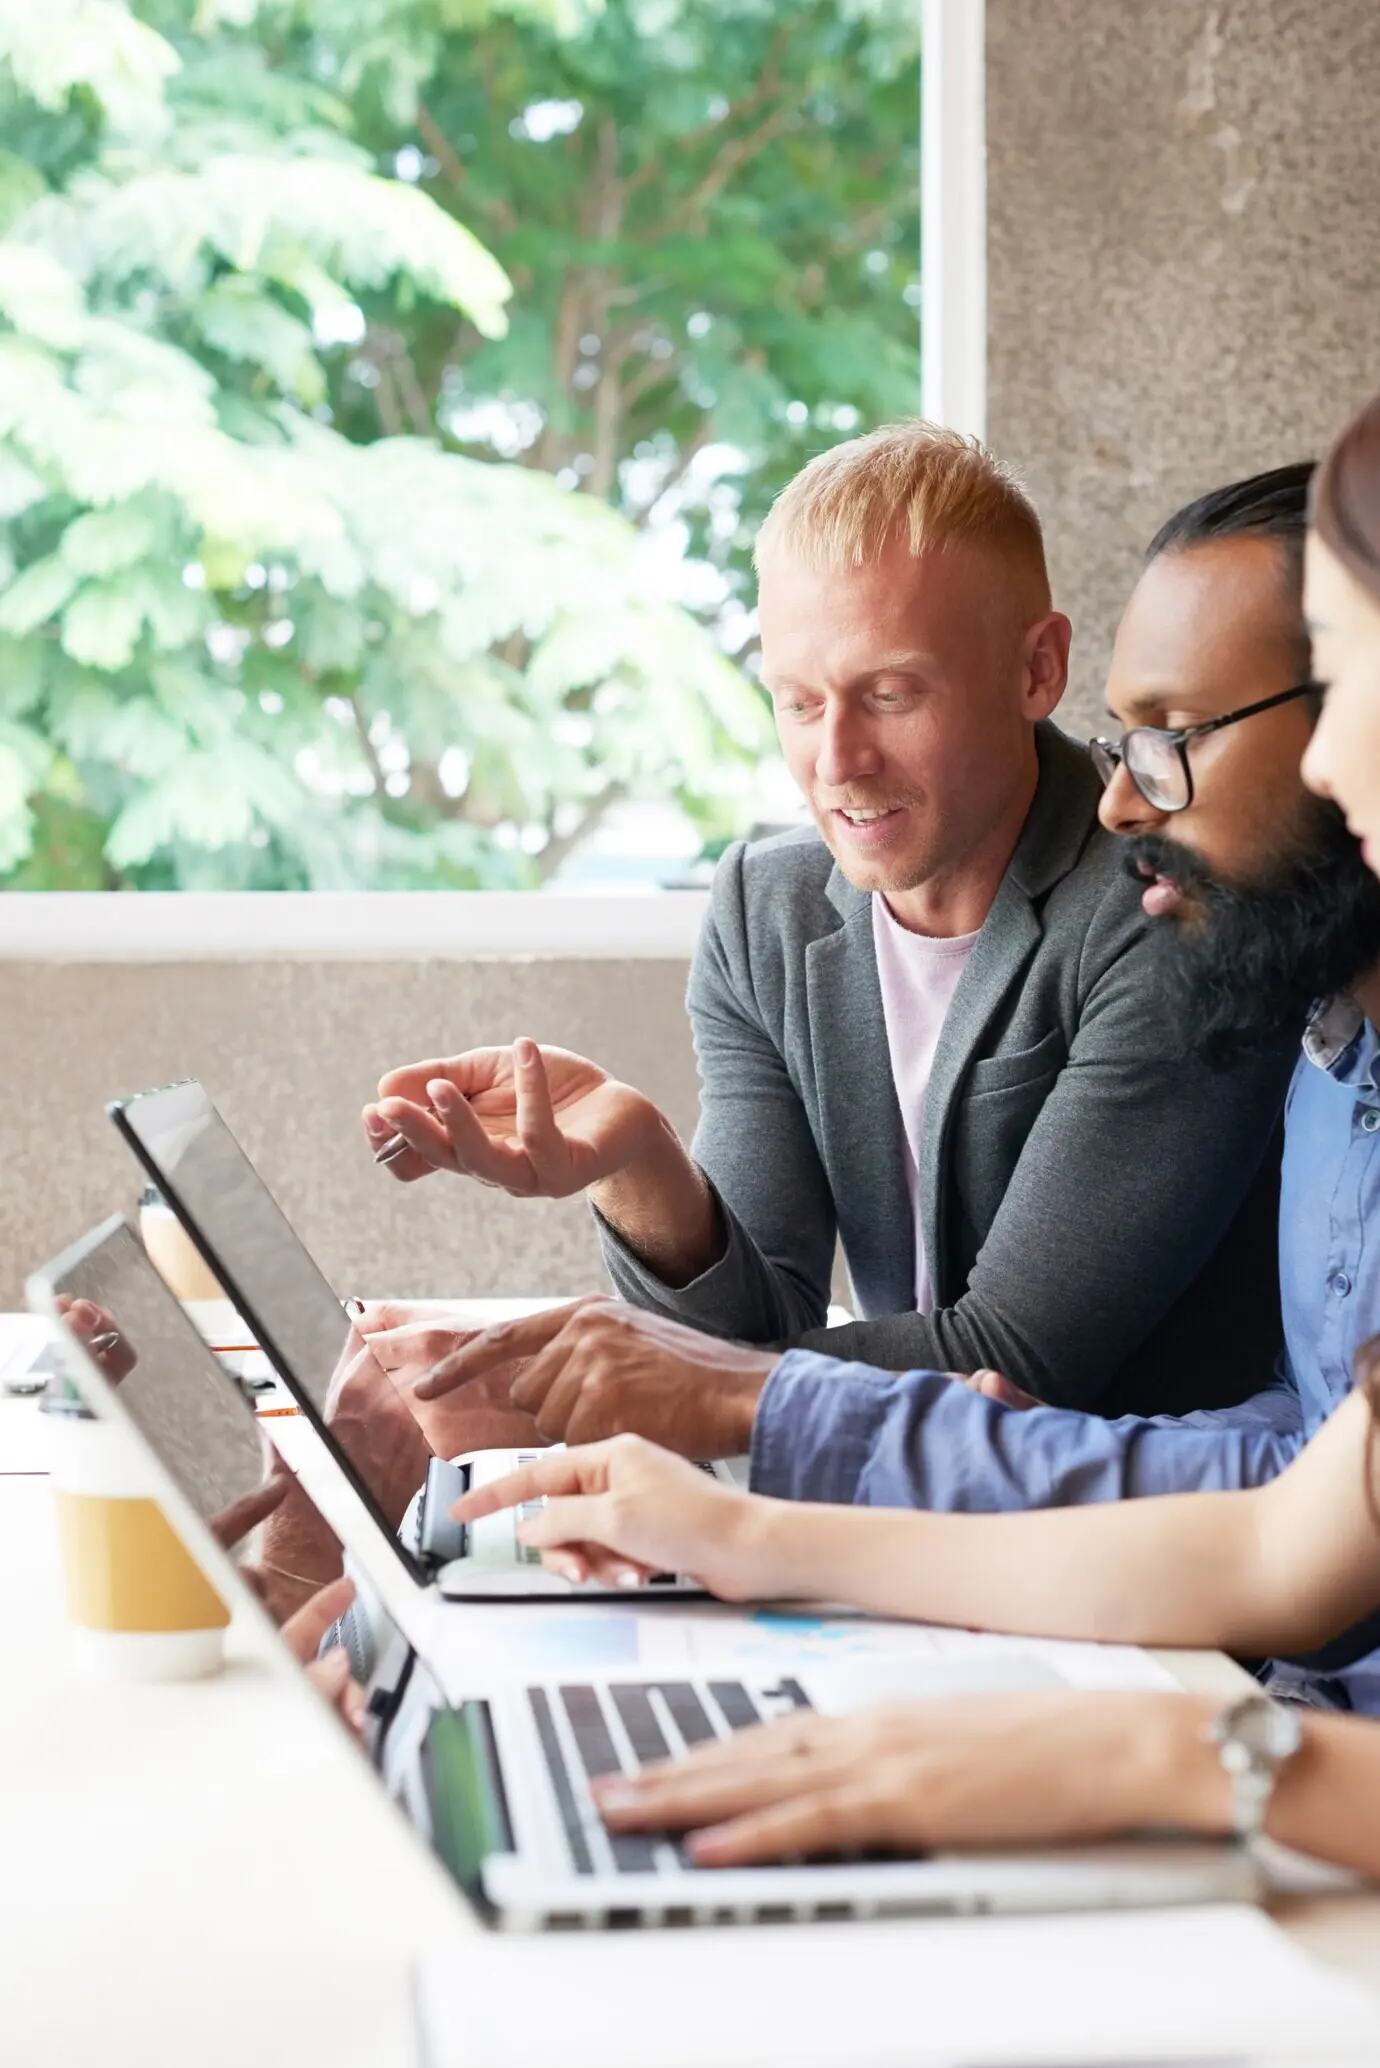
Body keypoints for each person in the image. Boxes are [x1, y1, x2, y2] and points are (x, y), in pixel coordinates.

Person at [442, 389, 1380, 1878]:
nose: (836, 759)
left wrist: (1154, 1753)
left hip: (1238, 1717)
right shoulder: (1342, 1047)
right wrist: (745, 1521)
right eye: (795, 699)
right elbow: (1290, 1510)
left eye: (1175, 737)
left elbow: (1052, 1374)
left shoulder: (1176, 934)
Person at [366, 466, 1380, 1540]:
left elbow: (1018, 1359)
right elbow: (749, 1335)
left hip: (1093, 1541)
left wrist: (587, 1390)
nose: (836, 761)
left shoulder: (1177, 897)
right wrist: (640, 1168)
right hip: (959, 1514)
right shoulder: (768, 906)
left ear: (1038, 669)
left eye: (892, 694)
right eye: (799, 702)